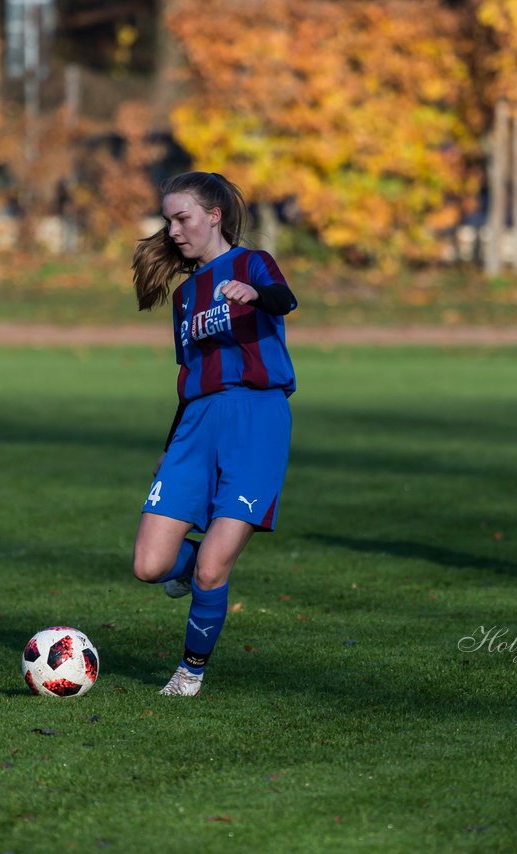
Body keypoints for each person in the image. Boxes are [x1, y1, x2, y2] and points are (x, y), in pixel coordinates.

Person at [130, 172, 297, 695]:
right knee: (149, 564)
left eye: (182, 218)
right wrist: (167, 448)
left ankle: (189, 672)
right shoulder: (184, 298)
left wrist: (256, 293)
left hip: (256, 418)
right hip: (196, 424)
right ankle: (191, 568)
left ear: (214, 216)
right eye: (169, 221)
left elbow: (284, 299)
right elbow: (187, 382)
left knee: (211, 569)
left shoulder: (251, 263)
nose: (174, 230)